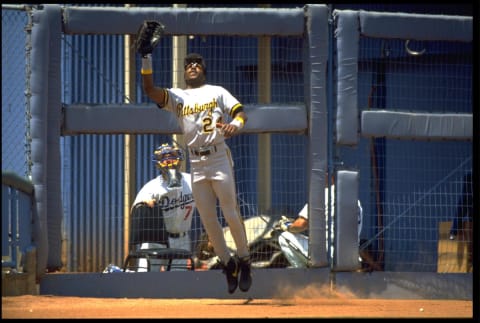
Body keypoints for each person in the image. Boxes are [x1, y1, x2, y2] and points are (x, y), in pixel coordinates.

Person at [139, 50, 251, 293]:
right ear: (183, 71)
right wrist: (147, 58)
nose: (192, 66)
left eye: (197, 63)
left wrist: (236, 125)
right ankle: (227, 264)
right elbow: (150, 90)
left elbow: (240, 113)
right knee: (209, 220)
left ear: (204, 69)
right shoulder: (178, 96)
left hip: (219, 156)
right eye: (188, 63)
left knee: (231, 213)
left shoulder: (217, 91)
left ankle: (244, 259)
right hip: (196, 162)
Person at [128, 143, 195, 271]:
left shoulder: (191, 181)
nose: (169, 160)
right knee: (146, 280)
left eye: (172, 156)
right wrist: (144, 203)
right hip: (154, 240)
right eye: (164, 157)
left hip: (182, 239)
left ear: (180, 158)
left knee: (177, 283)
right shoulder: (152, 187)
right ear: (158, 163)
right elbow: (134, 209)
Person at [276, 178, 364, 268]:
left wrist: (287, 226)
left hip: (329, 256)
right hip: (352, 258)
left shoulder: (324, 195)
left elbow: (301, 224)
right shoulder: (356, 201)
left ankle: (305, 277)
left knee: (284, 236)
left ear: (330, 176)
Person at [449, 172, 473, 240]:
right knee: (460, 214)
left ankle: (453, 233)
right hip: (466, 198)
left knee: (460, 214)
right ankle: (453, 233)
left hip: (466, 198)